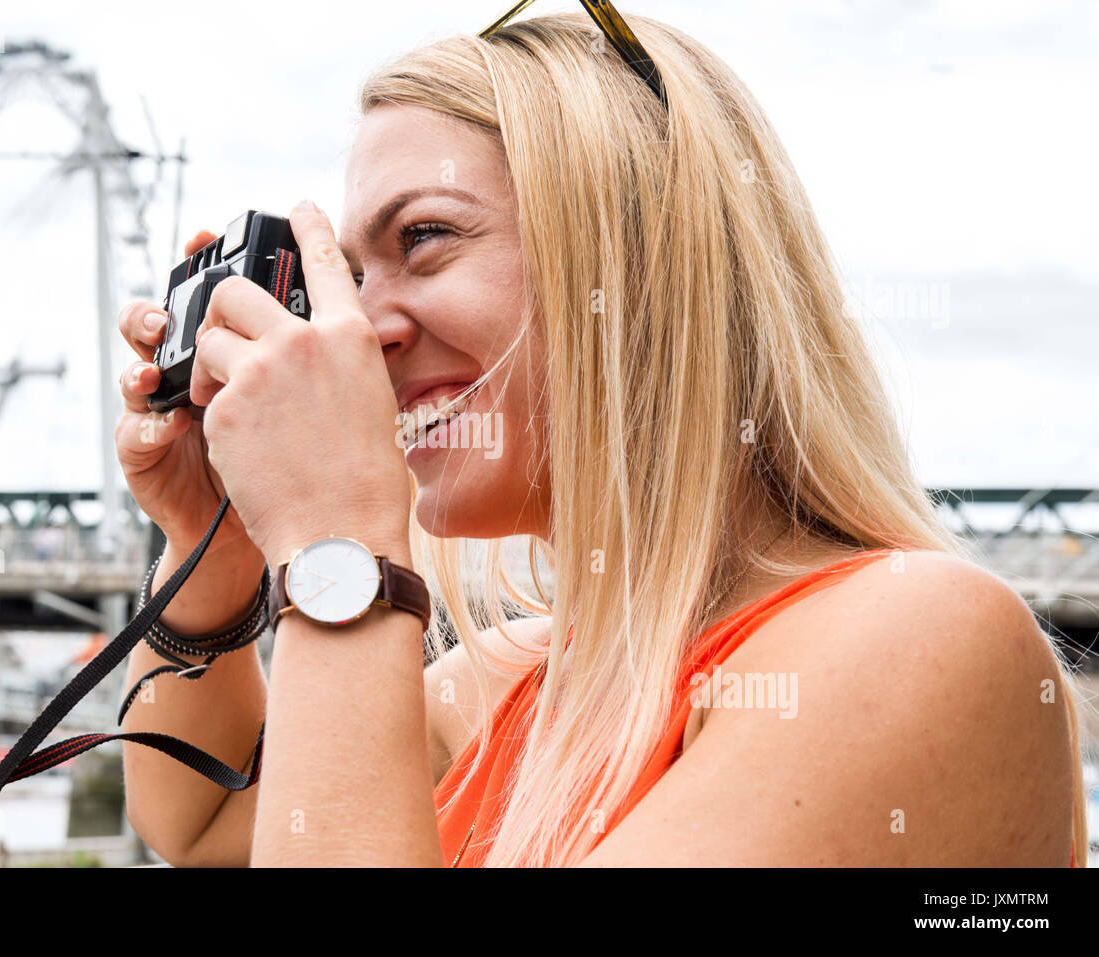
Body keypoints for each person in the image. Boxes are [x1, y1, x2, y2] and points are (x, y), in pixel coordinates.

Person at [112, 9, 1085, 867]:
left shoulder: (916, 636)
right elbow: (198, 817)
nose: (361, 332)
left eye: (423, 238)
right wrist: (222, 540)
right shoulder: (514, 677)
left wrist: (338, 551)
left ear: (640, 259)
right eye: (352, 278)